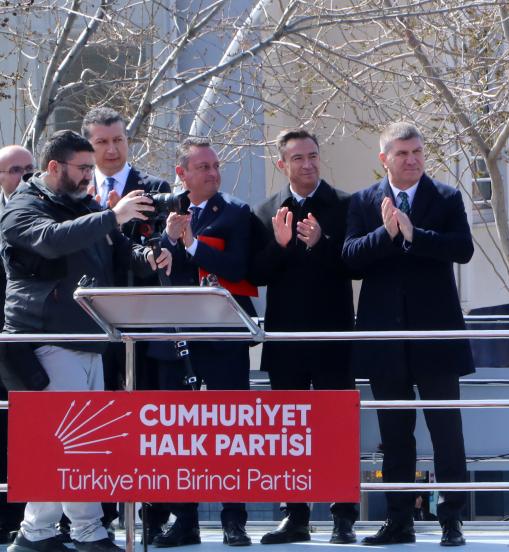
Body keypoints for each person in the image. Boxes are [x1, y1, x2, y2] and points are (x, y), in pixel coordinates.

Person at [0, 130, 170, 552]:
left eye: (89, 169)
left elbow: (120, 253)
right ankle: (84, 530)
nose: (88, 177)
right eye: (81, 168)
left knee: (73, 442)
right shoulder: (23, 206)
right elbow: (51, 240)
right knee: (73, 443)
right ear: (53, 167)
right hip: (47, 339)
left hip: (90, 338)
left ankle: (38, 532)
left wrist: (149, 257)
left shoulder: (87, 206)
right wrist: (112, 216)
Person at [342, 122, 474, 547]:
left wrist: (416, 235)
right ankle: (398, 520)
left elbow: (463, 248)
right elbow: (350, 259)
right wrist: (386, 234)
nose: (412, 159)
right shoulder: (364, 201)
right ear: (384, 159)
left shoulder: (446, 197)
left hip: (436, 336)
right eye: (402, 153)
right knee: (395, 435)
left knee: (446, 433)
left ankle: (452, 519)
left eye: (417, 151)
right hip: (385, 340)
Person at [248, 129, 357, 545]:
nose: (308, 164)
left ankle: (343, 518)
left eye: (313, 155)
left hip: (333, 335)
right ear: (282, 165)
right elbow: (255, 274)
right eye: (298, 158)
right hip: (286, 339)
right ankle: (294, 516)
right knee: (288, 432)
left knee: (336, 429)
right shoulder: (267, 210)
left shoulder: (345, 204)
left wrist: (322, 243)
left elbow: (356, 265)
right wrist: (279, 246)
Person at [150, 137, 254, 548]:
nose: (213, 173)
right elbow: (155, 268)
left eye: (215, 166)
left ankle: (234, 519)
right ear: (182, 174)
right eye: (203, 167)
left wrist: (192, 244)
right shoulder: (165, 210)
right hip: (176, 336)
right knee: (178, 434)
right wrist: (168, 240)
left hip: (222, 338)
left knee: (231, 431)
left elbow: (237, 266)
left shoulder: (235, 212)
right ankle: (184, 519)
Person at [80, 106, 173, 541]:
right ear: (89, 146)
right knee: (97, 419)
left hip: (140, 323)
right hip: (90, 322)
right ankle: (94, 515)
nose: (112, 149)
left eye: (118, 140)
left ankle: (150, 514)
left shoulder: (153, 189)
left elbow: (157, 248)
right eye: (102, 142)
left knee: (143, 420)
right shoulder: (77, 193)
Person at [0, 145, 34, 543]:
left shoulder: (44, 214)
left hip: (26, 343)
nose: (24, 177)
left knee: (24, 432)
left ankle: (25, 520)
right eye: (14, 170)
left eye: (30, 169)